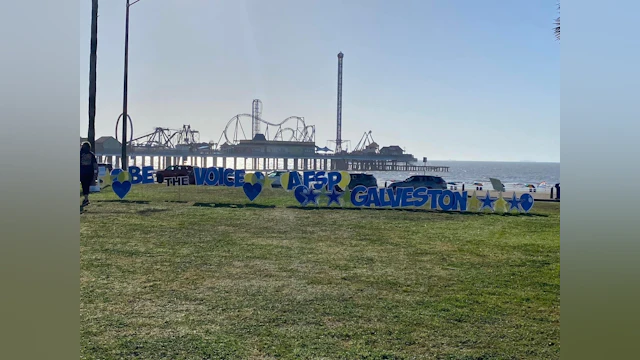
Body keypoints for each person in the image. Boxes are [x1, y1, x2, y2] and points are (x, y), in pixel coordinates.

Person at [80, 142, 98, 206]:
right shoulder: (91, 154)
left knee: (84, 185)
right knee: (87, 185)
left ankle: (86, 198)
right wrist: (96, 172)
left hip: (82, 172)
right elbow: (95, 164)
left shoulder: (80, 154)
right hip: (90, 172)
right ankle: (86, 198)